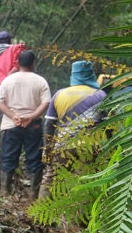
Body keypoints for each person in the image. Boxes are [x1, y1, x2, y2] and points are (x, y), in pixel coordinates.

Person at [39, 60, 107, 199]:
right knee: (83, 182)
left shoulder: (59, 95)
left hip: (63, 146)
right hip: (89, 148)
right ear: (91, 74)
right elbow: (108, 126)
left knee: (50, 181)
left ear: (73, 75)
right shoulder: (101, 96)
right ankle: (77, 220)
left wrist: (48, 149)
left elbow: (49, 125)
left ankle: (42, 218)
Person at [0, 50, 51, 198]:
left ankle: (5, 192)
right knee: (34, 158)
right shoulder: (40, 81)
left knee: (8, 157)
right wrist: (31, 117)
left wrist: (13, 116)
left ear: (18, 63)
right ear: (33, 63)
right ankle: (33, 194)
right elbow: (46, 102)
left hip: (11, 125)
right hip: (33, 125)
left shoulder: (8, 80)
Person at [0, 31, 26, 143]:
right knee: (14, 110)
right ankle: (15, 138)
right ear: (10, 41)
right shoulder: (14, 49)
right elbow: (17, 66)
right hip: (12, 86)